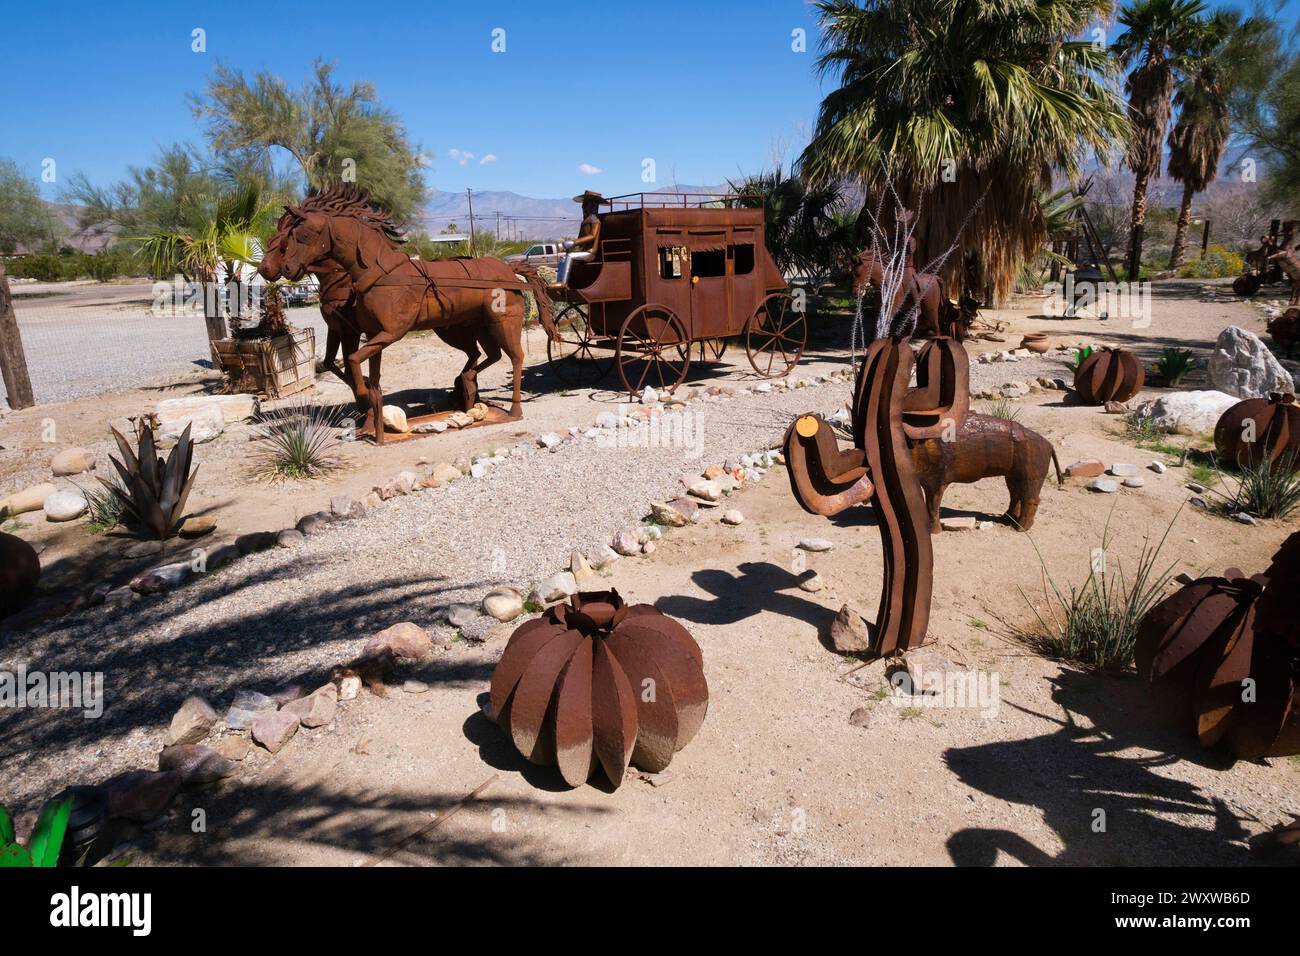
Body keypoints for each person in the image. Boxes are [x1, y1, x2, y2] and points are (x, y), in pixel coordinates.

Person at [558, 191, 604, 286]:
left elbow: (592, 236)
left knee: (570, 257)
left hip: (590, 253)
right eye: (583, 204)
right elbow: (580, 238)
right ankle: (560, 281)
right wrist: (571, 246)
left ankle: (563, 283)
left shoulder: (595, 220)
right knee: (563, 257)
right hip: (584, 251)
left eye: (585, 204)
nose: (582, 207)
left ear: (592, 206)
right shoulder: (585, 221)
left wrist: (573, 243)